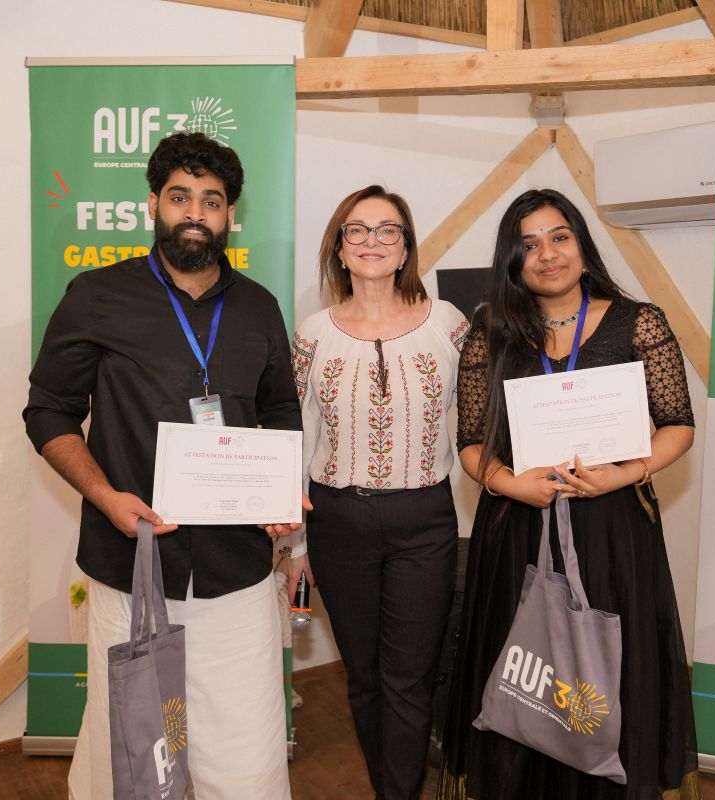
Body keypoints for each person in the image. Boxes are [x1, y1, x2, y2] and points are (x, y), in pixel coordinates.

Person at [24, 132, 300, 799]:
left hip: (236, 570)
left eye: (212, 200)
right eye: (181, 197)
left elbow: (281, 411)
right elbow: (49, 411)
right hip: (132, 564)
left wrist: (278, 492)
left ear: (230, 214)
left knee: (245, 747)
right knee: (129, 745)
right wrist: (104, 495)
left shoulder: (259, 306)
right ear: (153, 204)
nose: (195, 213)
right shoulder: (96, 295)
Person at [438, 188, 700, 800]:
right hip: (516, 530)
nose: (547, 254)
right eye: (528, 244)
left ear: (581, 244)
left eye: (559, 237)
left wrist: (624, 473)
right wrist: (511, 484)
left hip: (613, 531)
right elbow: (471, 442)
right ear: (512, 259)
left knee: (607, 668)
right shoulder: (490, 331)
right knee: (524, 671)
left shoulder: (639, 322)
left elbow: (679, 426)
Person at [288, 185, 469, 800]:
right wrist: (295, 548)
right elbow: (299, 439)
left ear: (405, 248)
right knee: (364, 676)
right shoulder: (313, 334)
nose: (372, 241)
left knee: (410, 677)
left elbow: (485, 412)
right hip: (338, 521)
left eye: (387, 230)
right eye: (357, 230)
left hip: (425, 521)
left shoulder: (448, 323)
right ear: (339, 248)